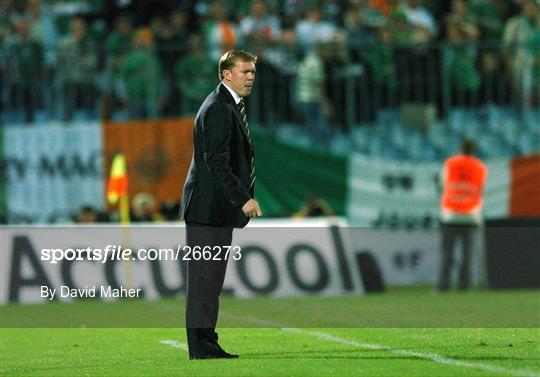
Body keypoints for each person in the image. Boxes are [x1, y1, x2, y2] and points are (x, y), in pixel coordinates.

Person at [180, 50, 262, 360]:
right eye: (244, 71)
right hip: (207, 209)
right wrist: (243, 198)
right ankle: (202, 347)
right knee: (204, 279)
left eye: (253, 72)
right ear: (226, 74)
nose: (250, 77)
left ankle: (207, 343)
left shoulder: (226, 105)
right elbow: (214, 161)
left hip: (214, 209)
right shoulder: (218, 108)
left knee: (210, 279)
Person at [438, 139, 488, 292]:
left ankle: (443, 286)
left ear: (461, 149)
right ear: (474, 150)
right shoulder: (480, 167)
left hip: (450, 215)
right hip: (470, 215)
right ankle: (464, 287)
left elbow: (442, 185)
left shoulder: (450, 163)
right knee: (468, 255)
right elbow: (481, 189)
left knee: (447, 253)